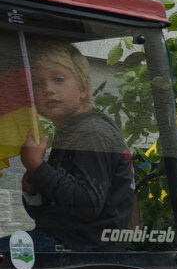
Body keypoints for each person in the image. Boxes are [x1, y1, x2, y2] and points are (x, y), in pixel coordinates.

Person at [7, 40, 133, 252]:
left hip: (80, 249)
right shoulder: (72, 131)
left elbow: (87, 206)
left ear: (83, 88)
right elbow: (52, 215)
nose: (47, 89)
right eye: (37, 84)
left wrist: (37, 167)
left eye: (58, 80)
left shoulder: (89, 132)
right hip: (69, 242)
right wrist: (34, 190)